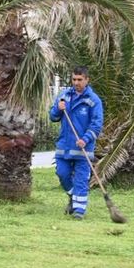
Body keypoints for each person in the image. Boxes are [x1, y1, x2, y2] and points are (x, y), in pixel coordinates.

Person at [49, 66, 104, 219]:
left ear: (87, 80)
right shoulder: (64, 96)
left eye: (80, 80)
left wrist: (85, 139)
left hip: (83, 149)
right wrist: (58, 109)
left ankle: (79, 212)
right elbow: (53, 117)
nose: (76, 82)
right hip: (64, 148)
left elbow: (96, 124)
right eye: (74, 79)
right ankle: (74, 199)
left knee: (81, 180)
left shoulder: (93, 101)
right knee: (62, 174)